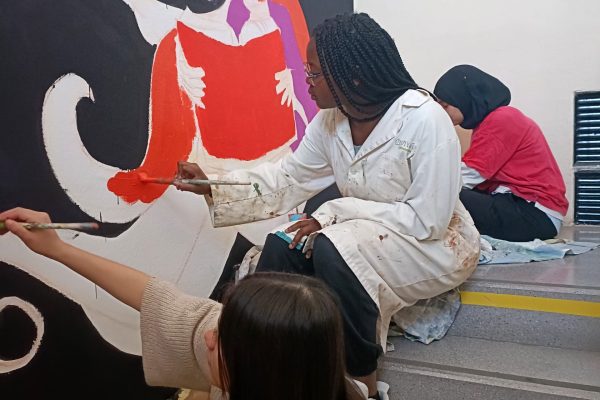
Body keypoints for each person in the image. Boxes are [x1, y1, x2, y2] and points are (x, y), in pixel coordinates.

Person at [175, 13, 480, 398]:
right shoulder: (330, 122)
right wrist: (211, 185)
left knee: (335, 248)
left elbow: (427, 222)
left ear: (351, 76)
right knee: (282, 244)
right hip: (367, 231)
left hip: (437, 242)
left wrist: (335, 213)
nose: (306, 82)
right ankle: (265, 362)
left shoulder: (424, 119)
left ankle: (360, 381)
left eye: (314, 73)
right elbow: (288, 179)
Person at [0, 207, 367, 400]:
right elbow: (154, 296)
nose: (210, 336)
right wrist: (59, 249)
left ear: (262, 372)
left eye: (223, 339)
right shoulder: (278, 360)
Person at [434, 64, 569, 242]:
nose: (442, 113)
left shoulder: (502, 119)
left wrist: (426, 185)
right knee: (445, 192)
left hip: (535, 214)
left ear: (463, 99)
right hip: (522, 206)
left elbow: (468, 175)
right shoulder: (489, 123)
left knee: (444, 194)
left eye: (445, 106)